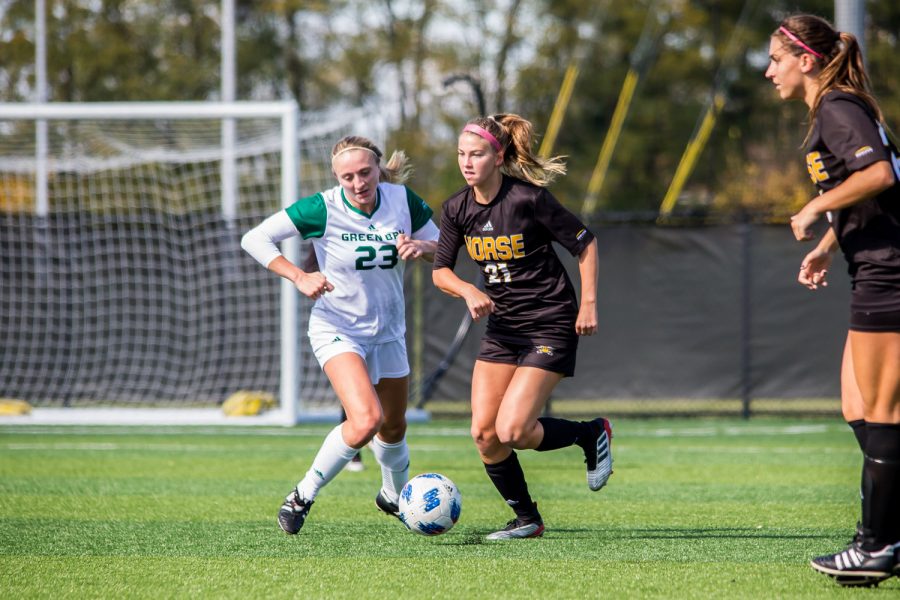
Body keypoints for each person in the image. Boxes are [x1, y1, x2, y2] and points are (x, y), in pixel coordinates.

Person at [241, 135, 439, 534]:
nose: (358, 182)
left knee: (394, 428)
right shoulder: (323, 207)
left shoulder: (403, 201)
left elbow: (444, 246)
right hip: (338, 329)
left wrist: (421, 246)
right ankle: (302, 494)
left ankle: (393, 497)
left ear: (378, 169)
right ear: (337, 178)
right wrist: (299, 276)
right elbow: (255, 238)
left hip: (388, 332)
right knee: (366, 419)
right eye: (347, 176)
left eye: (365, 172)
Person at [431, 114, 613, 540]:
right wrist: (467, 291)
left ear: (498, 156)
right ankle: (527, 519)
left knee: (513, 430)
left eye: (476, 154)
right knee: (484, 433)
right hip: (503, 330)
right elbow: (440, 271)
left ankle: (590, 434)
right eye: (461, 154)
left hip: (550, 323)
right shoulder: (456, 208)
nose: (467, 162)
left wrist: (587, 304)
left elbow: (585, 244)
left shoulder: (528, 199)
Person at [765, 14, 900, 586]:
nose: (769, 71)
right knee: (857, 407)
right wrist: (827, 244)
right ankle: (886, 534)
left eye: (775, 59)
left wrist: (815, 209)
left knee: (885, 413)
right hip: (868, 268)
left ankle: (877, 545)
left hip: (890, 273)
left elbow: (880, 176)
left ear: (805, 60)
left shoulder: (838, 107)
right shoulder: (834, 108)